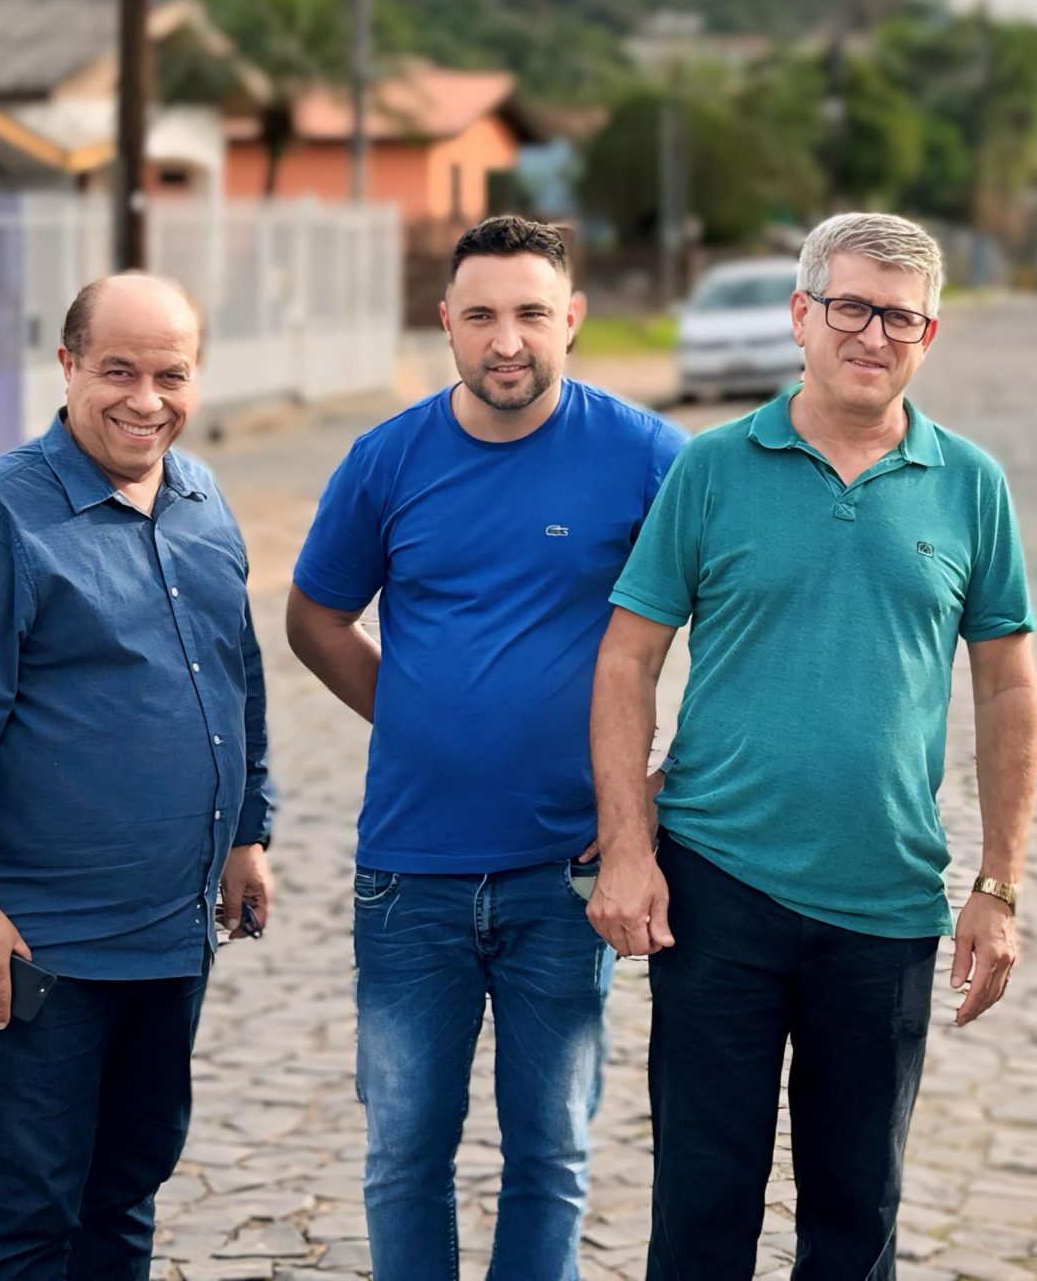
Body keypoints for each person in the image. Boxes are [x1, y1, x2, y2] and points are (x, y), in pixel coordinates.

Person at [585, 211, 1037, 1281]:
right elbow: (625, 662)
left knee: (854, 1218)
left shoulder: (971, 483)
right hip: (717, 890)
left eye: (899, 317)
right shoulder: (710, 468)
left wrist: (1000, 885)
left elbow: (1009, 684)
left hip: (884, 904)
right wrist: (625, 846)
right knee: (701, 1213)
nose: (872, 335)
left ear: (928, 336)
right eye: (850, 308)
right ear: (802, 316)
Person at [286, 215, 686, 1281]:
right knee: (403, 1153)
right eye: (481, 317)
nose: (506, 341)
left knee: (549, 1153)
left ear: (573, 319)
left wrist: (657, 786)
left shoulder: (648, 457)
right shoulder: (388, 459)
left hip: (569, 872)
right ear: (445, 325)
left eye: (529, 315)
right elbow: (315, 618)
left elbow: (735, 615)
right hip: (408, 875)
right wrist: (414, 713)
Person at [0, 272, 275, 1280]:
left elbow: (236, 674)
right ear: (66, 367)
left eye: (170, 374)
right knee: (24, 1218)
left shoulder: (200, 496)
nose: (146, 399)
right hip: (32, 950)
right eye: (117, 371)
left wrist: (245, 831)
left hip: (168, 935)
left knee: (124, 1190)